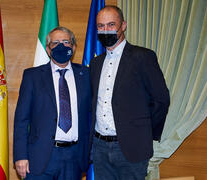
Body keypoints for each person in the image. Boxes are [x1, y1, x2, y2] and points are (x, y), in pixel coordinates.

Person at [89, 6, 170, 180]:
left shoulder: (143, 57)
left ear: (123, 25)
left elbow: (161, 100)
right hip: (100, 148)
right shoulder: (95, 63)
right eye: (101, 26)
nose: (105, 30)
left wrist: (144, 131)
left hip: (131, 147)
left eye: (111, 25)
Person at [13, 26, 91, 180]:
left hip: (74, 157)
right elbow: (21, 120)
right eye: (55, 43)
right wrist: (20, 156)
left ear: (74, 47)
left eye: (66, 42)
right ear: (48, 50)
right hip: (39, 156)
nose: (61, 46)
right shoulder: (32, 76)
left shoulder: (87, 75)